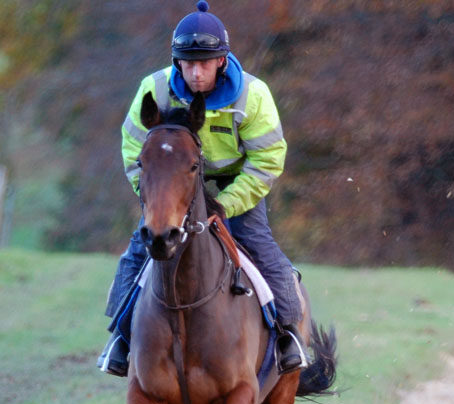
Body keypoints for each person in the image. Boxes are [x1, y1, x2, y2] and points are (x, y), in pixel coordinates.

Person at [97, 1, 306, 377]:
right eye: (188, 63)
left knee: (259, 246)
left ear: (222, 61)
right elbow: (134, 151)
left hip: (234, 182)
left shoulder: (253, 95)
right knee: (138, 250)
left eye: (204, 63)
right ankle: (121, 339)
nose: (195, 72)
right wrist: (157, 197)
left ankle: (288, 335)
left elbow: (267, 161)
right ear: (176, 62)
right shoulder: (153, 89)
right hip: (173, 182)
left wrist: (224, 205)